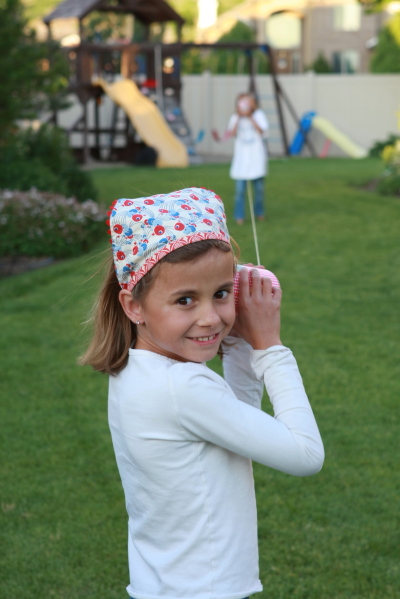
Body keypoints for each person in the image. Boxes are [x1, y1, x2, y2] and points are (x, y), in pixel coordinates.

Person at [80, 187, 324, 599]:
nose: (211, 317)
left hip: (165, 583)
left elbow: (234, 428)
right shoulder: (183, 387)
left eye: (222, 293)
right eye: (185, 300)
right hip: (205, 590)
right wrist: (270, 347)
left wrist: (241, 346)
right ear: (134, 305)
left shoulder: (138, 368)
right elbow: (305, 456)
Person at [227, 93, 269, 225]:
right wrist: (239, 117)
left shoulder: (259, 115)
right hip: (241, 160)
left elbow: (263, 131)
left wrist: (250, 116)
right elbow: (231, 133)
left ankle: (259, 212)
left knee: (259, 190)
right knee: (239, 191)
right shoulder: (235, 117)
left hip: (256, 157)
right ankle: (239, 215)